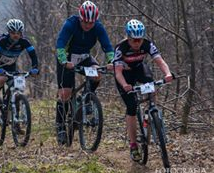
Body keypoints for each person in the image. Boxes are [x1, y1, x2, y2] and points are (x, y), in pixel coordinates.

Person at [113, 19, 173, 161]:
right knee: (132, 107)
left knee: (151, 85)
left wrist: (168, 73)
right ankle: (133, 145)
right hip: (124, 75)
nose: (137, 43)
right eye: (134, 40)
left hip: (139, 69)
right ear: (128, 38)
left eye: (139, 40)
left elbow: (160, 61)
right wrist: (125, 85)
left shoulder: (147, 44)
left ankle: (151, 115)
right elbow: (118, 72)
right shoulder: (120, 48)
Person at [55, 1, 114, 145]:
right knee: (65, 94)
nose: (88, 26)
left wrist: (112, 61)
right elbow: (60, 45)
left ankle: (86, 98)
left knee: (97, 74)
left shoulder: (98, 27)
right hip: (67, 58)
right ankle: (61, 127)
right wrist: (64, 61)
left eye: (91, 23)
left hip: (84, 57)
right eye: (85, 22)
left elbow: (108, 47)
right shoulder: (70, 24)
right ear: (80, 18)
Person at [0, 19, 39, 113]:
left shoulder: (24, 42)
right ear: (8, 32)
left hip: (11, 66)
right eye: (13, 33)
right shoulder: (1, 40)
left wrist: (35, 68)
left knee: (17, 86)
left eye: (18, 33)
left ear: (21, 33)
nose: (16, 35)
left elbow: (33, 55)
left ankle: (12, 109)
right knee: (2, 79)